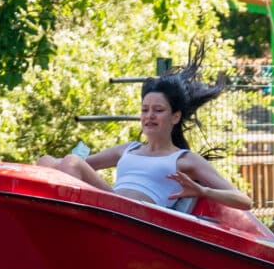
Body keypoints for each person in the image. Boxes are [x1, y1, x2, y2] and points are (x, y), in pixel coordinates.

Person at [38, 59, 254, 214]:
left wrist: (202, 190)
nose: (149, 116)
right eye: (145, 110)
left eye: (158, 110)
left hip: (141, 217)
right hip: (112, 204)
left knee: (72, 162)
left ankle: (65, 227)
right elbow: (77, 167)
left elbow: (244, 201)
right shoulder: (128, 149)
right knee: (47, 161)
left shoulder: (184, 159)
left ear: (175, 117)